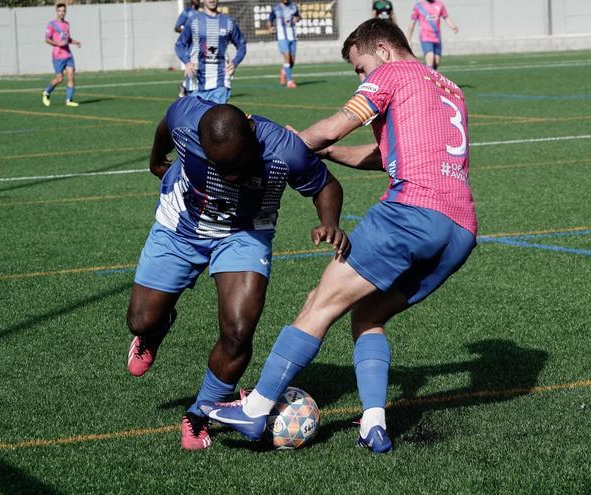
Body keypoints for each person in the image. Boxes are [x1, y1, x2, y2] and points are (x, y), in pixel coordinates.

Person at [202, 18, 477, 454]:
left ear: (383, 50)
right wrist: (327, 153)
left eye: (360, 68)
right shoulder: (449, 88)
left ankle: (255, 408)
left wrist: (288, 146)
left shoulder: (391, 72)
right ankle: (373, 425)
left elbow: (333, 126)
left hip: (410, 215)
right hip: (459, 229)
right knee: (366, 316)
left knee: (319, 303)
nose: (363, 77)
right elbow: (388, 154)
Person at [126, 98, 347, 450]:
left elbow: (326, 185)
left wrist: (329, 222)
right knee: (140, 321)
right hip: (179, 226)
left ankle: (199, 415)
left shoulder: (283, 149)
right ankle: (154, 330)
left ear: (252, 132)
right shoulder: (186, 119)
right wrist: (155, 159)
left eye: (238, 165)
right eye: (221, 167)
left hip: (244, 234)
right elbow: (166, 125)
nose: (230, 176)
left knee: (238, 331)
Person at [175, 0, 246, 103]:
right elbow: (179, 45)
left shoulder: (228, 22)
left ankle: (183, 92)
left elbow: (241, 44)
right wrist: (187, 62)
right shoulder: (193, 20)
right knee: (197, 118)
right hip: (196, 79)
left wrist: (235, 62)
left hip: (221, 79)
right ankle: (184, 92)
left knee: (217, 117)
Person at [42, 3, 81, 108]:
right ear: (56, 11)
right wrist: (57, 43)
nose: (62, 13)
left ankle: (69, 100)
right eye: (60, 11)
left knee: (71, 76)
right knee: (59, 79)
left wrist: (75, 42)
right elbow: (46, 39)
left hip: (68, 54)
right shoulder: (52, 24)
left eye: (63, 10)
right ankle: (46, 92)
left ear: (65, 12)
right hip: (58, 56)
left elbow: (67, 39)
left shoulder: (67, 24)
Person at [407, 0, 457, 70]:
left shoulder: (440, 4)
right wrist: (409, 39)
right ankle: (428, 79)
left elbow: (446, 17)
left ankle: (429, 75)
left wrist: (453, 26)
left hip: (437, 37)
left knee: (436, 62)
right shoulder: (419, 5)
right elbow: (412, 23)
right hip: (425, 37)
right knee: (430, 58)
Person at [268, 0, 301, 88]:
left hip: (293, 37)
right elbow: (270, 19)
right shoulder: (276, 8)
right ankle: (289, 81)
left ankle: (283, 71)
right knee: (287, 57)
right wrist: (270, 27)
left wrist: (297, 18)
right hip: (282, 37)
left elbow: (298, 17)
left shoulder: (294, 6)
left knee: (292, 61)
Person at [174, 0, 202, 98]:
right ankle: (187, 88)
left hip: (200, 46)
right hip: (190, 47)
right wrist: (187, 31)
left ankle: (185, 86)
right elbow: (177, 27)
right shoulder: (187, 12)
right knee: (193, 66)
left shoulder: (201, 13)